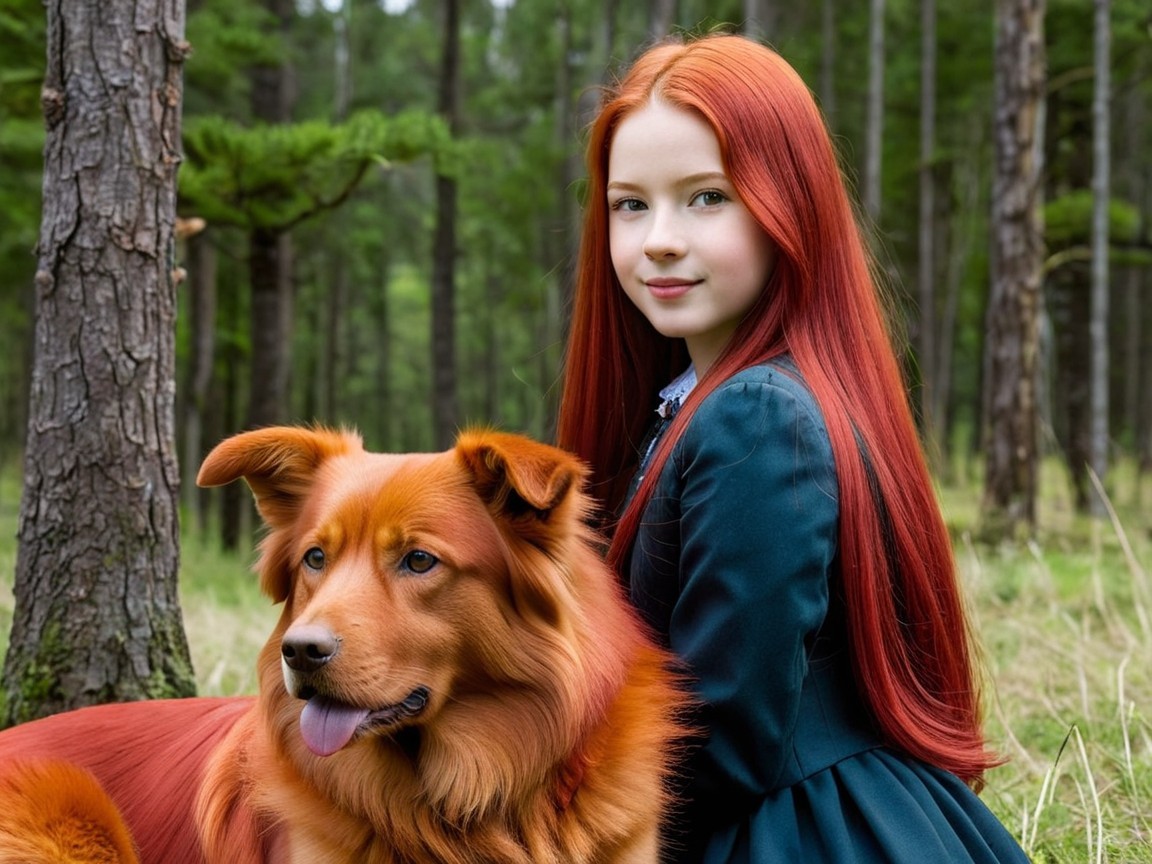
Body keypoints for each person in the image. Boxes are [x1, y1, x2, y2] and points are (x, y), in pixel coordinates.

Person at [556, 33, 1031, 863]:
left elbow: (724, 739)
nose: (660, 238)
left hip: (786, 831)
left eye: (707, 198)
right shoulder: (702, 407)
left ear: (790, 206)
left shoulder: (758, 418)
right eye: (631, 204)